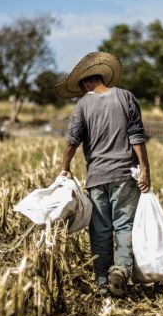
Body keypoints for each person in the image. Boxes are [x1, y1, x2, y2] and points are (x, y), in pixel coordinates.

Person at [54, 52, 150, 297]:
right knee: (125, 225)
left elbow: (72, 141)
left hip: (97, 177)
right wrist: (145, 169)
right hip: (125, 175)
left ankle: (102, 283)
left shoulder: (83, 104)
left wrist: (65, 168)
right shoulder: (126, 97)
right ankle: (121, 270)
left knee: (100, 230)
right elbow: (137, 136)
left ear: (87, 82)